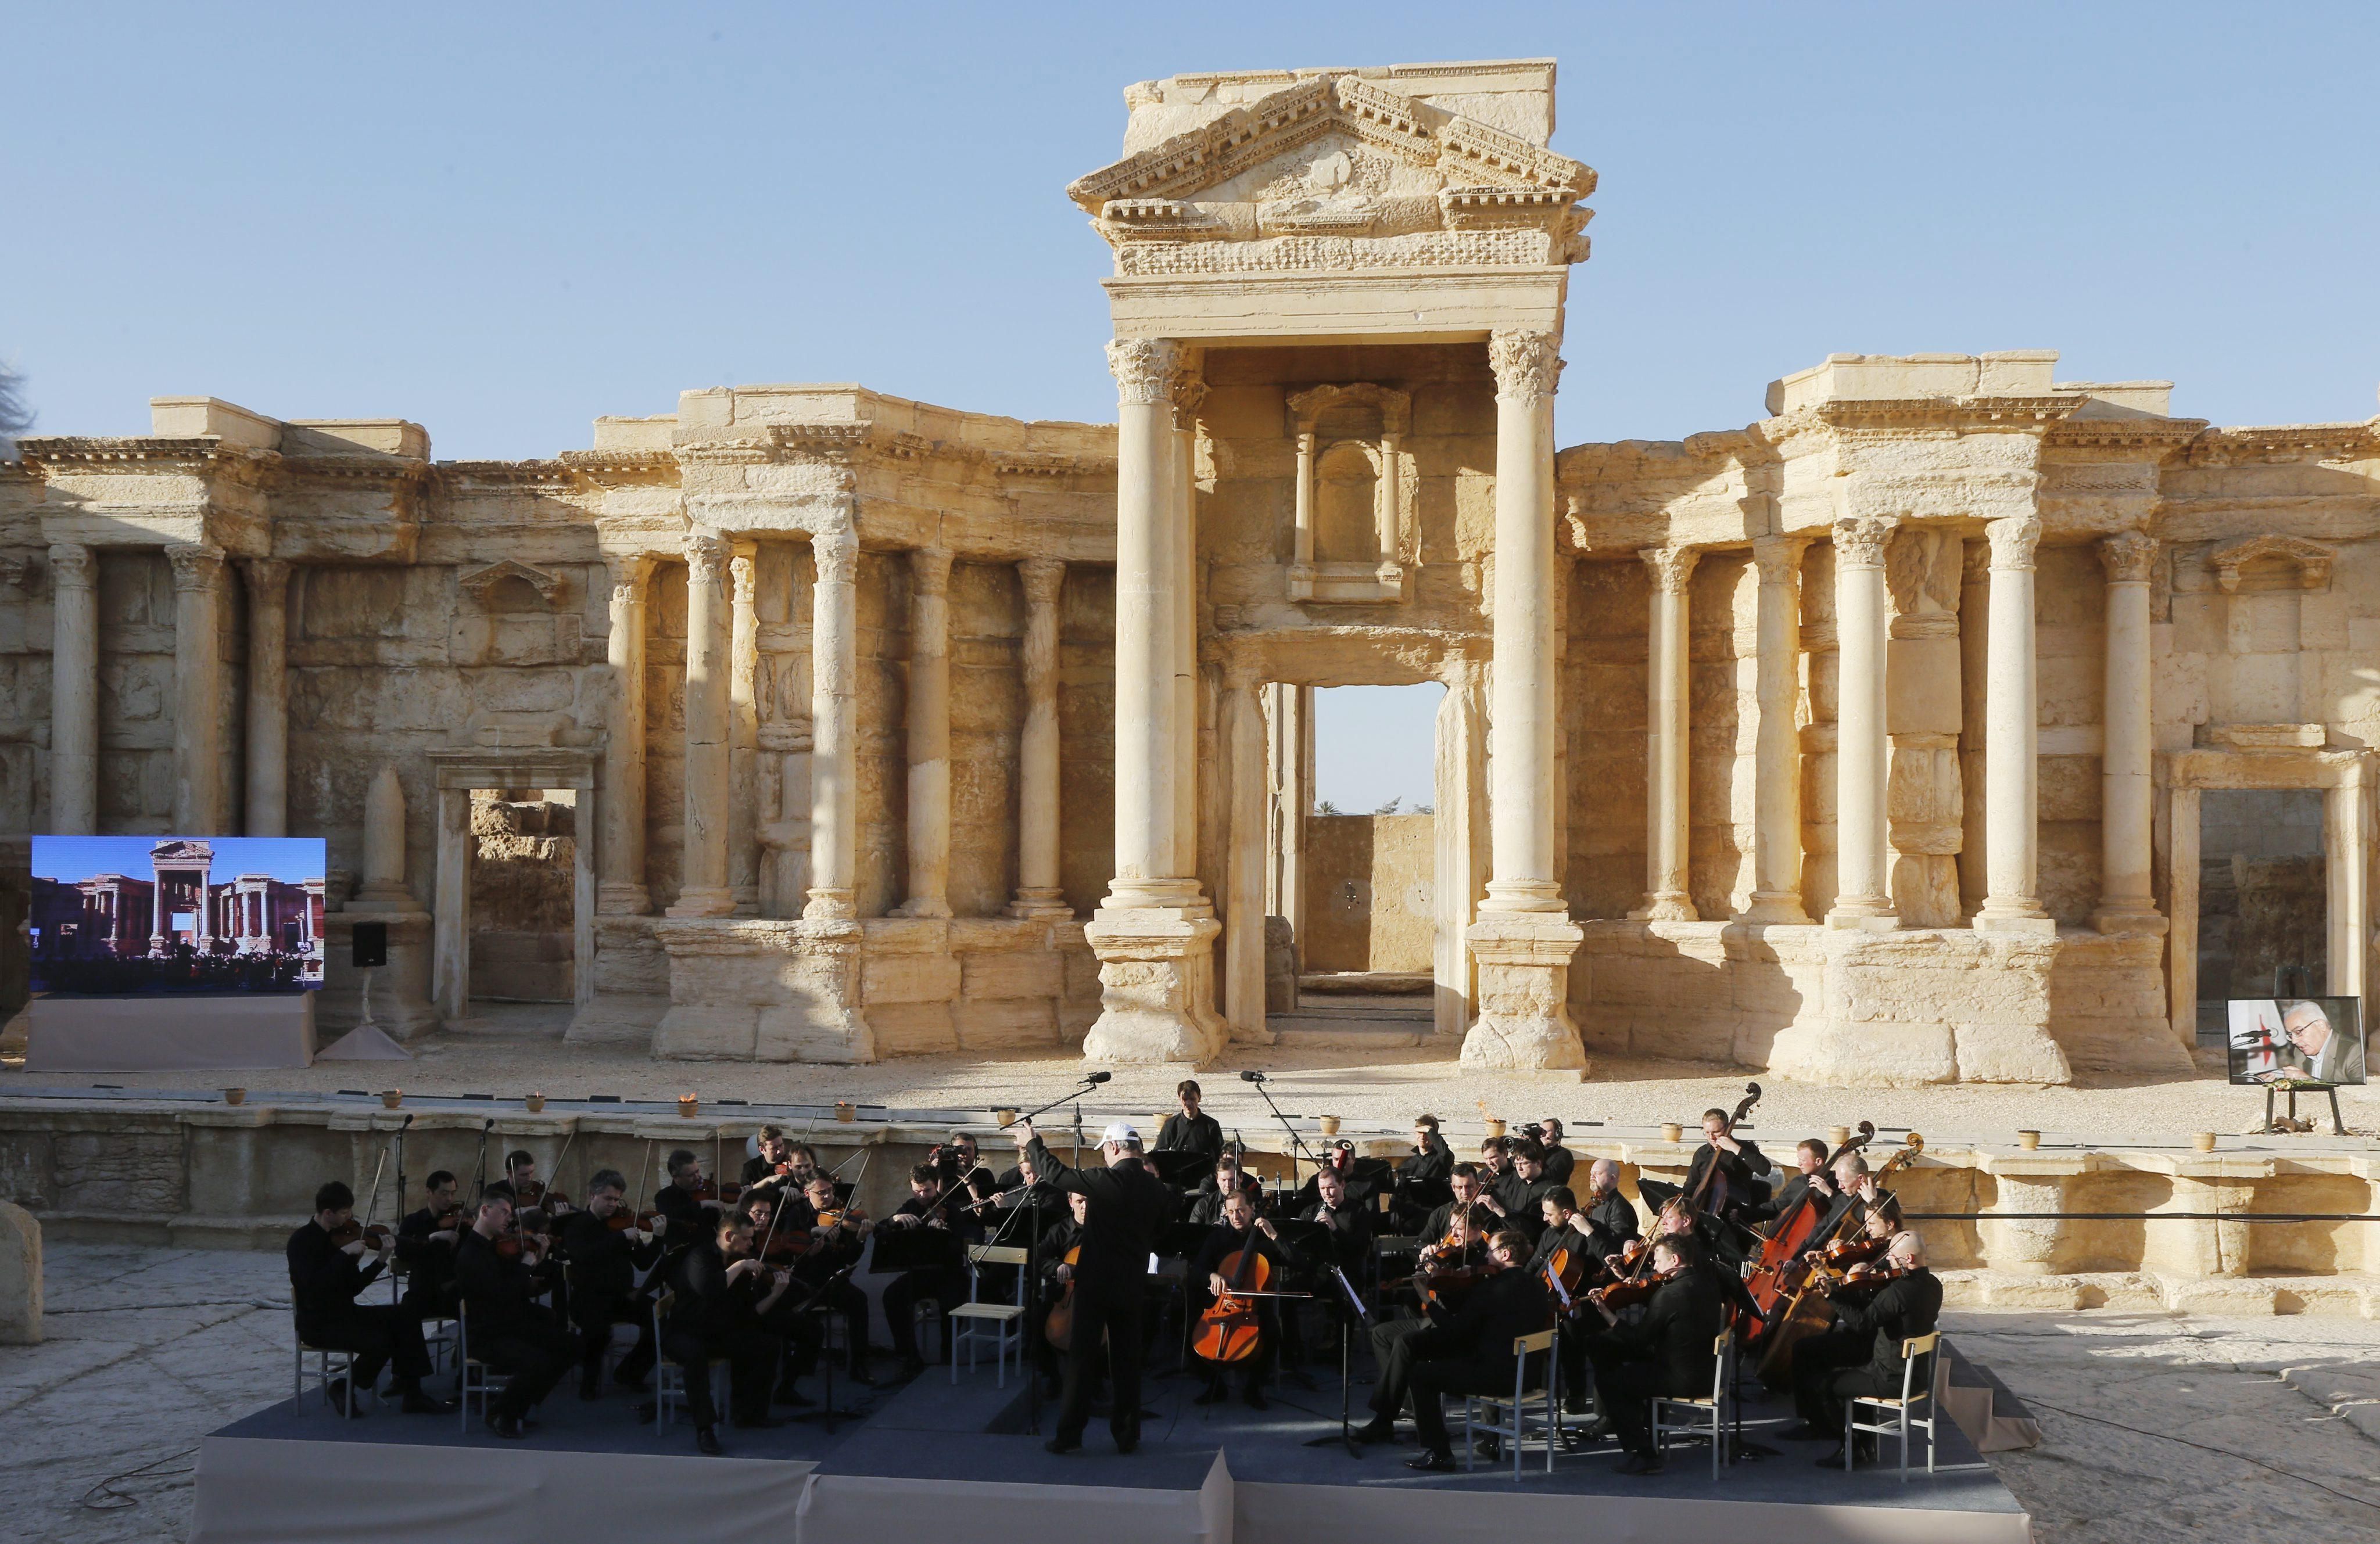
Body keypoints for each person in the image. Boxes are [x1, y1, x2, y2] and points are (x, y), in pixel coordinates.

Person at [1016, 1117, 1170, 1456]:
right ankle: (1127, 1436)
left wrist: (1032, 1142)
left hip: (1095, 1284)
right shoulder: (1158, 1188)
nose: (1105, 1158)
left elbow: (1056, 1174)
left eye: (1105, 1152)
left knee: (1081, 1361)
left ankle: (1069, 1435)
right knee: (1127, 1362)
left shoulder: (1107, 1180)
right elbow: (1161, 1232)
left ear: (1114, 1147)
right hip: (1131, 1284)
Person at [1356, 1229, 1550, 1471]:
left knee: (1421, 1376)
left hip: (1496, 1375)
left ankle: (1440, 1453)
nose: (1486, 1257)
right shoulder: (1539, 1286)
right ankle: (1384, 1419)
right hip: (1527, 1374)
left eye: (1491, 1252)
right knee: (1410, 1343)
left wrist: (1427, 1300)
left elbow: (1455, 1331)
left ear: (1506, 1253)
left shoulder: (1492, 1289)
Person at [286, 1180, 451, 1416]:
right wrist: (343, 1256)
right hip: (318, 1322)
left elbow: (354, 1288)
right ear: (327, 1213)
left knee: (405, 1314)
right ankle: (343, 1386)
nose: (349, 1217)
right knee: (380, 1341)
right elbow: (313, 1288)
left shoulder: (343, 1238)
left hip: (346, 1313)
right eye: (344, 1213)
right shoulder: (301, 1242)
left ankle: (413, 1394)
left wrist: (381, 1260)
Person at [1788, 1232, 1942, 1467]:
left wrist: (1832, 1296)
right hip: (1917, 1377)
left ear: (1908, 1257)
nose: (1888, 1260)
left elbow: (1862, 1323)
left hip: (1889, 1377)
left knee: (1822, 1385)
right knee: (1852, 1378)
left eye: (1893, 1256)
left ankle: (1851, 1446)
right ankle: (1865, 1443)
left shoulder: (1898, 1291)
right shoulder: (1933, 1285)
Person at [1582, 1233, 1727, 1475]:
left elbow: (1639, 1340)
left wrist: (1606, 1312)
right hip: (1705, 1370)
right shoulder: (1708, 1284)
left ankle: (1644, 1453)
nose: (1654, 1266)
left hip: (1681, 1378)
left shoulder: (1669, 1295)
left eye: (1658, 1260)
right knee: (1617, 1359)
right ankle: (1648, 1429)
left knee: (1611, 1382)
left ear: (1675, 1259)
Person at [451, 1184, 576, 1439]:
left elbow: (514, 1286)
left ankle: (516, 1405)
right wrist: (525, 1267)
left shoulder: (493, 1245)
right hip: (487, 1334)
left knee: (572, 1346)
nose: (511, 1219)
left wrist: (537, 1260)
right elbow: (501, 1293)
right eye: (506, 1213)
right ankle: (503, 1412)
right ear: (485, 1210)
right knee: (539, 1360)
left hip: (510, 1323)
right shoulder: (471, 1254)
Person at [658, 1213, 787, 1453]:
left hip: (717, 1333)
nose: (752, 1244)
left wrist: (775, 1294)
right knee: (695, 1359)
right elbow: (709, 1289)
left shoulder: (739, 1261)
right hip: (684, 1331)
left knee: (765, 1344)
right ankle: (705, 1429)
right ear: (729, 1236)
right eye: (747, 1239)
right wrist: (739, 1267)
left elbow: (750, 1314)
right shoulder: (699, 1257)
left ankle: (750, 1413)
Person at [558, 1169, 664, 1398]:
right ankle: (588, 1384)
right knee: (598, 1329)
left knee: (660, 1318)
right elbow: (584, 1255)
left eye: (616, 1200)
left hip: (620, 1297)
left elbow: (644, 1263)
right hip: (588, 1298)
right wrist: (619, 1238)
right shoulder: (578, 1225)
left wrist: (658, 1237)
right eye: (608, 1199)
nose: (613, 1205)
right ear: (591, 1195)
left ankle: (629, 1373)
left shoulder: (620, 1226)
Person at [881, 1161, 983, 1378]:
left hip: (950, 1274)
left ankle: (948, 1350)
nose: (923, 1196)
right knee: (892, 1296)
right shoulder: (909, 1206)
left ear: (936, 1185)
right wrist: (895, 1219)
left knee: (951, 1303)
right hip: (920, 1273)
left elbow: (960, 1246)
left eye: (927, 1190)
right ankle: (909, 1353)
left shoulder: (951, 1210)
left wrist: (943, 1235)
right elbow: (882, 1229)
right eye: (917, 1190)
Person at [1189, 1190, 1288, 1409]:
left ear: (1253, 1209)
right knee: (1194, 1331)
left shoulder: (1265, 1237)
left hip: (1255, 1307)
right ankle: (1215, 1385)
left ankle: (1254, 1388)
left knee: (1272, 1333)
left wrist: (1275, 1236)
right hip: (1223, 1303)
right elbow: (1196, 1270)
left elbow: (1298, 1261)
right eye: (1231, 1211)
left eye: (1241, 1210)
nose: (1236, 1216)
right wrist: (1212, 1275)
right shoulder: (1217, 1237)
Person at [791, 1174, 876, 1386]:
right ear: (807, 1193)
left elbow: (848, 1257)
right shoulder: (796, 1214)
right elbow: (790, 1252)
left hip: (832, 1280)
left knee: (859, 1301)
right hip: (804, 1281)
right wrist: (811, 1236)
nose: (828, 1196)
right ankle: (797, 1374)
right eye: (822, 1192)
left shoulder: (841, 1216)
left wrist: (861, 1239)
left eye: (831, 1191)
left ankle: (859, 1365)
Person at [394, 1169, 464, 1322]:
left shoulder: (459, 1223)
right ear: (429, 1192)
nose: (450, 1199)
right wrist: (432, 1237)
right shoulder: (413, 1221)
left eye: (453, 1193)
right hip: (423, 1291)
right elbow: (401, 1251)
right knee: (404, 1316)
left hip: (452, 1293)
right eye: (444, 1193)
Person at [2264, 999, 2367, 1084]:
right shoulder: (2300, 1053)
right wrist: (2278, 1079)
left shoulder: (2355, 1050)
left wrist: (2309, 1081)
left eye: (2298, 1032)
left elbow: (2360, 1096)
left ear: (2321, 1026)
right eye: (2291, 1035)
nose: (2294, 1041)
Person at [1482, 1141, 1554, 1243]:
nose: (1519, 1168)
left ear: (1538, 1163)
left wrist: (1500, 1210)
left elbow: (1536, 1228)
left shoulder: (1550, 1190)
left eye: (1524, 1164)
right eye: (1516, 1164)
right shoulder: (1515, 1183)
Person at [654, 1148, 726, 1238]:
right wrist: (702, 1204)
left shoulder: (708, 1192)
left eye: (697, 1171)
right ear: (675, 1177)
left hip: (711, 1247)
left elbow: (723, 1224)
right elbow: (670, 1215)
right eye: (691, 1175)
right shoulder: (664, 1196)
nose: (697, 1177)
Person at [1155, 1079, 1224, 1161]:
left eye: (1192, 1099)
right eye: (1185, 1099)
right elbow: (1158, 1154)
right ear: (1179, 1098)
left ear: (1199, 1098)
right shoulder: (1171, 1125)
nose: (1188, 1103)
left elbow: (1220, 1156)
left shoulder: (1211, 1125)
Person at [1536, 1118, 1576, 1187]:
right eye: (1541, 1132)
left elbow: (1549, 1175)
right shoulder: (1538, 1151)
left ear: (1557, 1134)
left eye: (1546, 1131)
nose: (1542, 1135)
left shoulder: (1564, 1155)